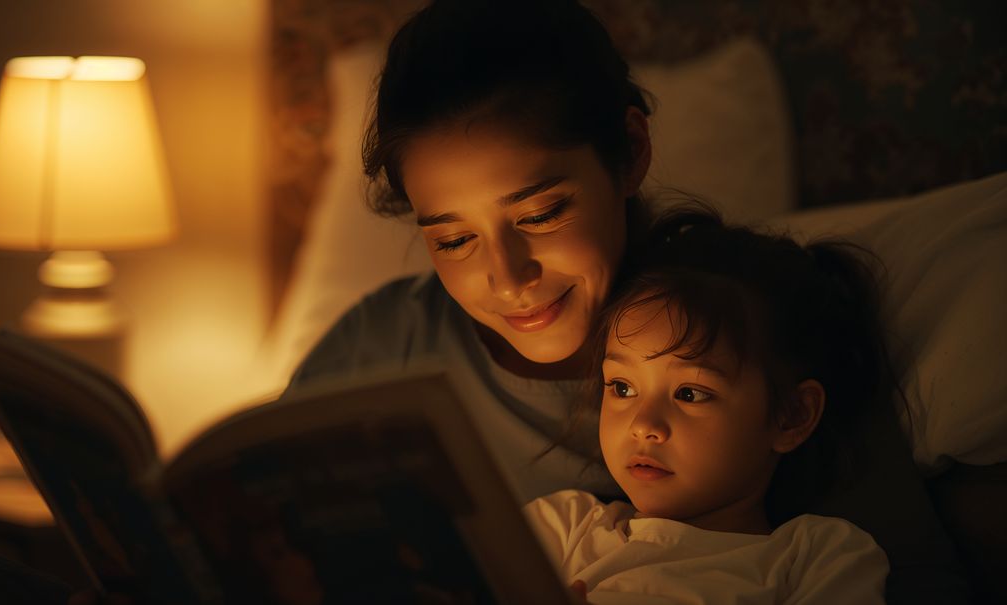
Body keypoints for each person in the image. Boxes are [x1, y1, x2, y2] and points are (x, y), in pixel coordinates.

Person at [284, 1, 968, 602]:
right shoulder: (373, 347)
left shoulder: (748, 328)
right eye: (455, 238)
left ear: (631, 150)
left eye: (543, 212)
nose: (509, 276)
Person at [525, 207, 892, 603]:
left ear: (792, 416)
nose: (642, 424)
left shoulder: (814, 557)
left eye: (690, 394)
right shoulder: (563, 528)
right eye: (622, 387)